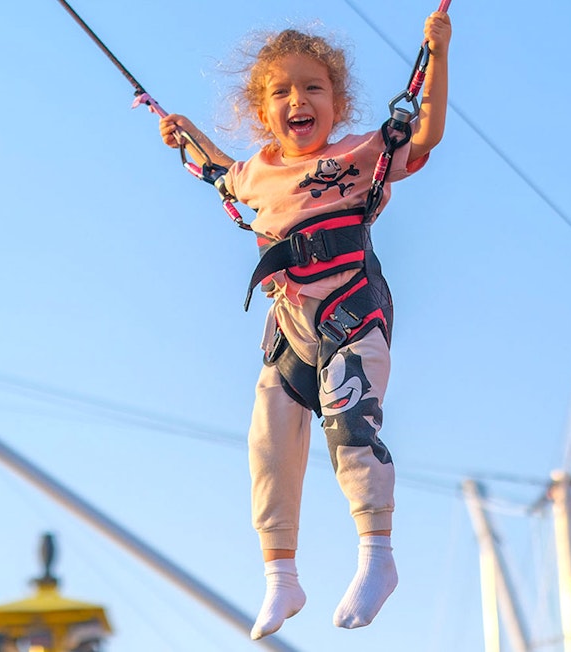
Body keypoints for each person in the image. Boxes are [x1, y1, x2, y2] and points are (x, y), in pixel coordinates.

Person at [159, 10, 451, 640]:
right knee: (268, 445)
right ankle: (280, 577)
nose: (299, 99)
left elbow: (423, 134)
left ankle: (378, 556)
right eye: (282, 91)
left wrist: (438, 54)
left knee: (349, 428)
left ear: (338, 102)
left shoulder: (358, 154)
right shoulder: (257, 173)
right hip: (290, 326)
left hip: (351, 312)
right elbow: (222, 172)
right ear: (263, 113)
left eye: (314, 87)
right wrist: (187, 134)